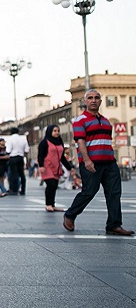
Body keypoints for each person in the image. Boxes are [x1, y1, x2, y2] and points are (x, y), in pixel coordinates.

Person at [63, 90, 134, 236]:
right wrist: (87, 161)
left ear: (100, 101)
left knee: (114, 193)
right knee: (89, 192)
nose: (93, 100)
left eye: (96, 98)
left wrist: (113, 161)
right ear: (85, 102)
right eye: (90, 98)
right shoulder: (80, 120)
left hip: (109, 163)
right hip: (91, 163)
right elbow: (80, 142)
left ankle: (114, 225)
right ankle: (70, 215)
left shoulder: (106, 121)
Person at [38, 125, 74, 212]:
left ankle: (52, 204)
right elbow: (40, 155)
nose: (57, 132)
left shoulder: (59, 142)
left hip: (56, 167)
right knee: (51, 184)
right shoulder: (44, 142)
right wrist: (41, 165)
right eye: (54, 131)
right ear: (50, 131)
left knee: (54, 185)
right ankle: (48, 204)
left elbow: (62, 158)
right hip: (47, 166)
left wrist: (70, 167)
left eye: (58, 131)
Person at [5, 127, 29, 195]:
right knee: (22, 174)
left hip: (13, 157)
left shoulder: (10, 139)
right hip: (21, 157)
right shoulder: (23, 139)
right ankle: (23, 189)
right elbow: (26, 150)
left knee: (13, 174)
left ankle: (14, 189)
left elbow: (8, 150)